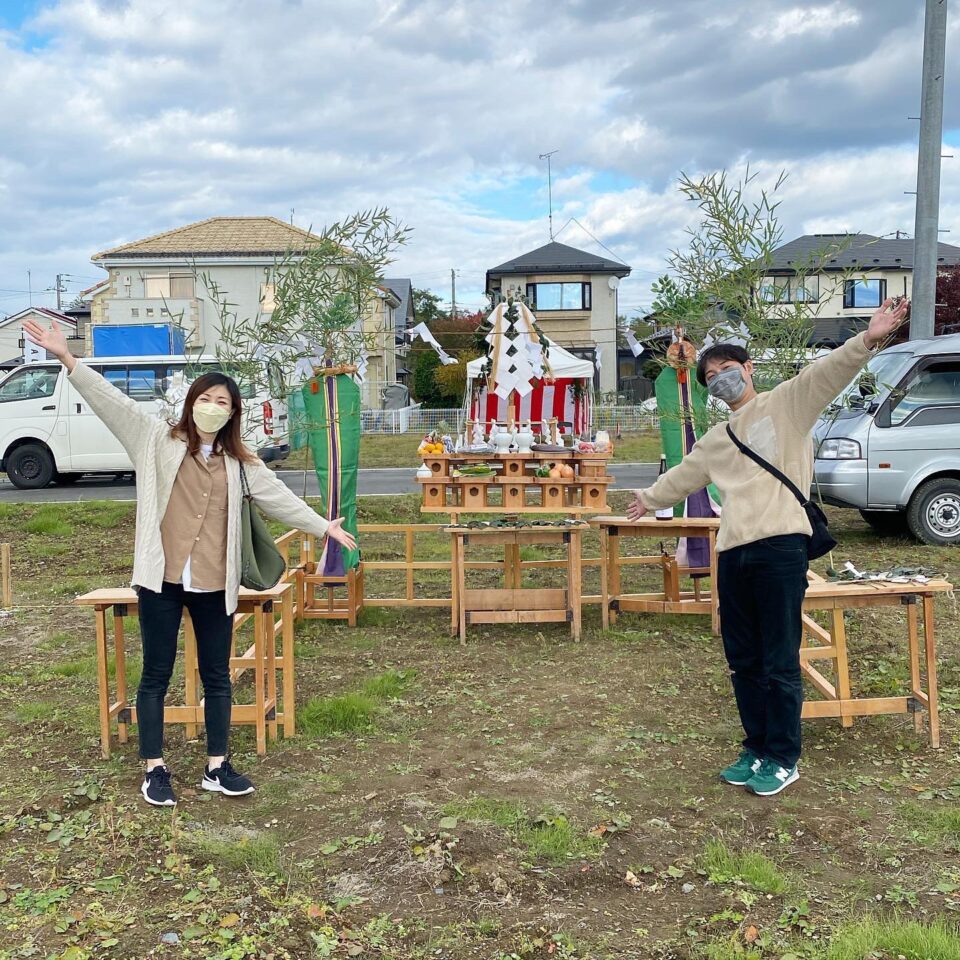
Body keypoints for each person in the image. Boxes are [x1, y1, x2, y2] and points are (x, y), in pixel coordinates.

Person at [25, 318, 357, 807]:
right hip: (160, 578)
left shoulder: (241, 462)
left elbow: (278, 497)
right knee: (156, 673)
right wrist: (68, 357)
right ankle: (154, 768)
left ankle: (217, 766)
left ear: (233, 413)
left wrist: (322, 526)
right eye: (206, 399)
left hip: (212, 581)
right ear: (191, 403)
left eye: (223, 403)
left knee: (217, 675)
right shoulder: (154, 440)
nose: (213, 408)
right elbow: (113, 402)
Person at [627, 298, 910, 797]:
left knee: (779, 657)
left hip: (781, 547)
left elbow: (829, 371)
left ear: (748, 368)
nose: (720, 380)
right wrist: (647, 500)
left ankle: (783, 756)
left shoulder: (786, 405)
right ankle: (755, 746)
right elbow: (682, 476)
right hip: (733, 552)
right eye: (711, 376)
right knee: (743, 657)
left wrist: (870, 337)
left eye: (727, 369)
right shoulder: (717, 438)